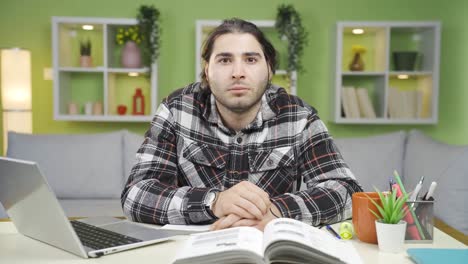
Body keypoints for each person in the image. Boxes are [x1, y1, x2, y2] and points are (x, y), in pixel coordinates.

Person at [121, 18, 363, 231]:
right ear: (207, 70)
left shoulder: (299, 117)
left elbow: (347, 191)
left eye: (250, 59)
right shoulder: (177, 110)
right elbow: (136, 194)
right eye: (225, 60)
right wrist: (214, 202)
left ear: (269, 69)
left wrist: (276, 211)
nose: (238, 72)